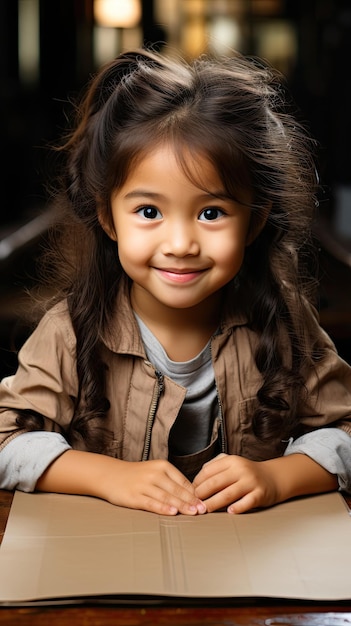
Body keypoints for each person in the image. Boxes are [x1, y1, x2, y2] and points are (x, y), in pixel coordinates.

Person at [0, 47, 351, 517]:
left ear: (254, 220)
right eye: (149, 212)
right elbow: (6, 440)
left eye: (211, 213)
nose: (181, 243)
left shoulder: (284, 320)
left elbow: (344, 427)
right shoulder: (72, 329)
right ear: (108, 218)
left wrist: (277, 477)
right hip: (110, 559)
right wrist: (106, 477)